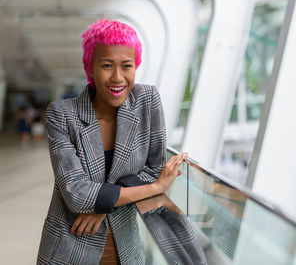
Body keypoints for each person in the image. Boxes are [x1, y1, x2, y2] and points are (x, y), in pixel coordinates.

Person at [37, 19, 187, 265]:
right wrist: (154, 189)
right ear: (90, 67)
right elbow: (75, 193)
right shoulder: (62, 115)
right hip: (70, 246)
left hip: (125, 248)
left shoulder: (146, 101)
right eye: (107, 65)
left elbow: (154, 168)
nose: (117, 77)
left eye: (126, 66)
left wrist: (102, 205)